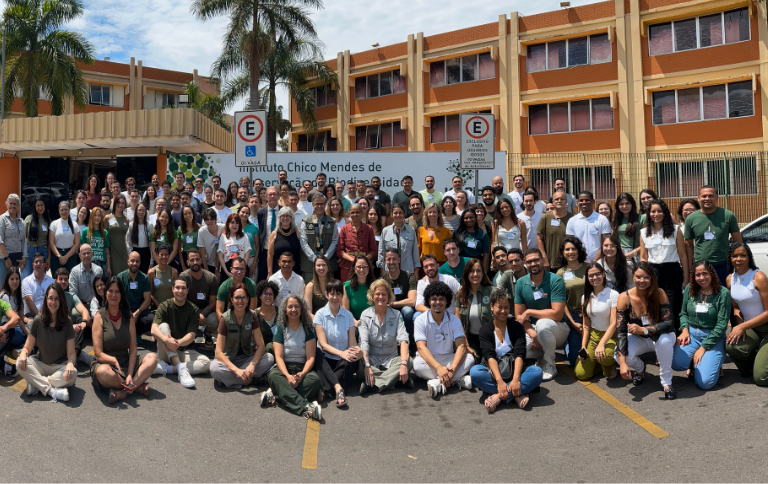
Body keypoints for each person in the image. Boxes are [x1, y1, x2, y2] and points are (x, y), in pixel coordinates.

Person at [469, 288, 544, 412]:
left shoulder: (517, 327)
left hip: (516, 371)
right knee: (475, 372)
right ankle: (516, 394)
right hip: (494, 373)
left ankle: (499, 396)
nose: (503, 311)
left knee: (536, 372)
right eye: (500, 307)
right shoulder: (485, 330)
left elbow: (520, 354)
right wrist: (499, 381)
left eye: (506, 307)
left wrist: (515, 380)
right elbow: (489, 356)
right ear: (492, 306)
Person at [90, 277, 158, 404]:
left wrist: (130, 374)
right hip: (107, 363)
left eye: (117, 291)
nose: (114, 295)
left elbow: (132, 349)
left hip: (126, 361)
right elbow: (98, 354)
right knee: (103, 372)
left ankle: (123, 391)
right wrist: (113, 360)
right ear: (106, 293)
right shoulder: (99, 317)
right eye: (110, 291)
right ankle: (136, 387)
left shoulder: (129, 316)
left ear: (122, 294)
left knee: (152, 359)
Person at [615, 262, 676, 399]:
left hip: (659, 336)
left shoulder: (659, 293)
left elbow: (669, 324)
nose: (642, 281)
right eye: (638, 277)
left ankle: (667, 382)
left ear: (652, 278)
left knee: (665, 341)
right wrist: (623, 364)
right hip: (639, 339)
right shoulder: (624, 297)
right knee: (618, 356)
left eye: (646, 277)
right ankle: (640, 369)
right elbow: (621, 331)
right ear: (633, 276)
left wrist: (645, 330)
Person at [260, 295, 322, 421]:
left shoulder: (308, 328)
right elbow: (279, 357)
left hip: (301, 369)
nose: (293, 309)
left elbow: (310, 358)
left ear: (302, 309)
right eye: (290, 307)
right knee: (273, 375)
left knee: (315, 380)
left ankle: (277, 395)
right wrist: (288, 377)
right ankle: (305, 407)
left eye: (296, 306)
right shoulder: (280, 328)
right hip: (283, 370)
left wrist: (302, 374)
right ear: (285, 310)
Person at [671, 261, 729, 390]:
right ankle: (696, 363)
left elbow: (721, 325)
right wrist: (685, 330)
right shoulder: (690, 288)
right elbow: (683, 313)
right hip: (691, 335)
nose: (701, 278)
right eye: (698, 275)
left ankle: (713, 363)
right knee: (676, 363)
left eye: (705, 274)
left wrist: (703, 348)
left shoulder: (722, 293)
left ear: (712, 274)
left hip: (712, 337)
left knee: (705, 383)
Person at [15, 284, 76, 402]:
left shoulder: (67, 322)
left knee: (73, 373)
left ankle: (36, 385)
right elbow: (27, 347)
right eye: (50, 298)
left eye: (57, 298)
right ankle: (52, 391)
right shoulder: (38, 320)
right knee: (19, 363)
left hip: (59, 366)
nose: (53, 302)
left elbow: (72, 353)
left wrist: (70, 363)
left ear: (61, 300)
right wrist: (23, 354)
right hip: (41, 364)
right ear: (46, 299)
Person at [413, 281, 474, 398]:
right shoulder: (420, 320)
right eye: (434, 299)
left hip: (449, 359)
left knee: (470, 359)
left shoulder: (454, 320)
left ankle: (438, 383)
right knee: (416, 365)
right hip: (429, 360)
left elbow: (461, 346)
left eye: (441, 299)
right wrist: (438, 368)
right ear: (428, 301)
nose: (437, 302)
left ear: (447, 301)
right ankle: (456, 380)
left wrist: (453, 369)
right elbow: (421, 347)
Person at [514, 248, 568, 381]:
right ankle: (543, 354)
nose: (533, 264)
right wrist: (533, 334)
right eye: (530, 261)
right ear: (525, 263)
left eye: (536, 260)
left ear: (543, 260)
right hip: (532, 330)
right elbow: (519, 316)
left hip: (557, 327)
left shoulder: (555, 280)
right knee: (518, 352)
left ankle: (550, 363)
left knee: (542, 324)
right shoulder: (521, 282)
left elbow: (557, 315)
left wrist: (530, 312)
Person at [210, 283, 274, 389]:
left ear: (248, 299)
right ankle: (251, 380)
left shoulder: (252, 316)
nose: (240, 301)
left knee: (269, 358)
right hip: (229, 360)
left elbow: (261, 346)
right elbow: (219, 353)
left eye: (243, 297)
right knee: (214, 368)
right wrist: (237, 371)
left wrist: (251, 365)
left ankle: (229, 381)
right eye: (237, 298)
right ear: (231, 300)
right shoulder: (224, 318)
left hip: (246, 358)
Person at [151, 279, 211, 388]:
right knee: (163, 326)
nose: (180, 291)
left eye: (183, 288)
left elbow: (191, 335)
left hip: (184, 349)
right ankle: (181, 369)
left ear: (187, 290)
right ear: (172, 289)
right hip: (165, 350)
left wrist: (175, 343)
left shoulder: (193, 309)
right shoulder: (164, 306)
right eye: (177, 288)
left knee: (206, 364)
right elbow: (153, 329)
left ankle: (168, 369)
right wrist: (167, 340)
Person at [357, 279, 412, 395]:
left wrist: (402, 364)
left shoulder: (396, 315)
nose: (380, 297)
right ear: (372, 296)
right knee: (358, 366)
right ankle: (396, 380)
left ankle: (373, 384)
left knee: (409, 361)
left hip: (391, 359)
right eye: (377, 294)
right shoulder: (365, 315)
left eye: (384, 294)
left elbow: (403, 339)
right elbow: (364, 343)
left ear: (389, 296)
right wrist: (367, 365)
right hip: (372, 359)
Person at [639, 199, 688, 330]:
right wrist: (643, 277)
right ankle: (655, 335)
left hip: (672, 272)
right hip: (653, 272)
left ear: (665, 213)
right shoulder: (644, 232)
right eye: (653, 211)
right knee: (654, 304)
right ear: (648, 214)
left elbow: (683, 255)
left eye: (659, 211)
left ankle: (674, 335)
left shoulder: (676, 230)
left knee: (672, 305)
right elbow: (643, 257)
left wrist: (686, 278)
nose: (656, 214)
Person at [725, 242, 768, 385]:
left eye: (743, 255)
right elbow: (736, 307)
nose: (739, 259)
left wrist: (743, 327)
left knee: (761, 379)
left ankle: (761, 364)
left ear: (749, 257)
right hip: (752, 328)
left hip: (766, 327)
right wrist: (739, 326)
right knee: (731, 345)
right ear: (730, 258)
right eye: (734, 256)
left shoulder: (758, 277)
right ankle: (757, 363)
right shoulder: (730, 279)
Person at [312, 279, 359, 407]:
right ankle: (338, 388)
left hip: (343, 360)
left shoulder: (348, 315)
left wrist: (354, 351)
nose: (335, 297)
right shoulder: (320, 315)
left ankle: (326, 390)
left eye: (338, 294)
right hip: (327, 359)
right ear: (326, 294)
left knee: (353, 357)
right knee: (316, 353)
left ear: (342, 296)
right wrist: (341, 353)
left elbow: (352, 344)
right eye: (332, 294)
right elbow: (323, 345)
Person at [684, 185, 741, 284]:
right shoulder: (691, 219)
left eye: (711, 196)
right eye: (704, 196)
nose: (707, 199)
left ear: (716, 198)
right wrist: (690, 269)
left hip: (723, 265)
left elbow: (738, 242)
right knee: (703, 297)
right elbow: (688, 246)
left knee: (724, 295)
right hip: (701, 267)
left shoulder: (728, 216)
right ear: (699, 198)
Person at [575, 262, 618, 380]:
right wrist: (583, 346)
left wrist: (602, 344)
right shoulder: (585, 297)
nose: (594, 278)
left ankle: (609, 364)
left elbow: (614, 323)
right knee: (581, 374)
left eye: (598, 274)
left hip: (610, 336)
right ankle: (598, 364)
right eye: (591, 275)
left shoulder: (613, 294)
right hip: (593, 336)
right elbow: (586, 326)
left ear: (603, 274)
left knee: (606, 356)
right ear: (587, 278)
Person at [555, 236, 590, 367]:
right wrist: (574, 323)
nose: (570, 252)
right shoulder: (560, 273)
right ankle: (568, 344)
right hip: (572, 317)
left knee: (592, 355)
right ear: (563, 252)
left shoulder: (589, 267)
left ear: (579, 250)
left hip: (591, 314)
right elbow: (561, 301)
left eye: (573, 249)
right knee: (575, 361)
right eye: (567, 249)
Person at [179, 249, 219, 348]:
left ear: (201, 260)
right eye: (192, 260)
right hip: (189, 310)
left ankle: (208, 333)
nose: (195, 262)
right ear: (188, 263)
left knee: (215, 321)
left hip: (206, 311)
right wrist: (196, 314)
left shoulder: (211, 277)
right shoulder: (183, 277)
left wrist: (201, 314)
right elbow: (182, 300)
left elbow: (214, 302)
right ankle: (190, 335)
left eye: (197, 259)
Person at [455, 258, 493, 358]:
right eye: (472, 271)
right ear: (466, 274)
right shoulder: (460, 295)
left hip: (490, 339)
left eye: (478, 271)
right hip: (470, 340)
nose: (475, 274)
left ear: (483, 273)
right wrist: (466, 345)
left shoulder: (492, 292)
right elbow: (458, 323)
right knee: (472, 364)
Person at [299, 194, 339, 283]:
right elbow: (303, 242)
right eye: (317, 204)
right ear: (313, 205)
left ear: (325, 205)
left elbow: (334, 241)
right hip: (310, 265)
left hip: (328, 265)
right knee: (311, 290)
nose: (319, 206)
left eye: (322, 204)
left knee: (328, 291)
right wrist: (314, 258)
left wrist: (325, 258)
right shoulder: (305, 222)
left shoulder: (332, 222)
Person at [116, 251, 153, 342]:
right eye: (132, 261)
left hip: (139, 311)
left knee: (151, 319)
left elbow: (147, 300)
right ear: (128, 262)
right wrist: (127, 312)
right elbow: (117, 297)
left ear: (140, 263)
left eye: (137, 261)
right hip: (124, 310)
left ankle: (137, 332)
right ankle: (125, 333)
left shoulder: (144, 278)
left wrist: (136, 313)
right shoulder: (120, 277)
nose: (134, 264)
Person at [565, 191, 611, 263]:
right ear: (578, 202)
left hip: (599, 262)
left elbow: (605, 243)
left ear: (593, 201)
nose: (584, 202)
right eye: (581, 200)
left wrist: (595, 261)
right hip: (578, 262)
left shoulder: (602, 219)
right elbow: (570, 244)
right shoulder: (572, 221)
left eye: (587, 200)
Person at [382, 249, 417, 337]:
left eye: (394, 259)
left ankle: (409, 340)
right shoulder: (382, 280)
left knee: (408, 311)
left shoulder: (409, 277)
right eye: (388, 259)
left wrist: (392, 304)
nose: (391, 262)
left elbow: (412, 301)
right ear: (385, 261)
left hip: (403, 309)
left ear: (399, 260)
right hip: (389, 310)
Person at [535, 191, 573, 272]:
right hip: (550, 263)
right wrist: (544, 258)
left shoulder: (572, 218)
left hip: (568, 262)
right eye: (557, 199)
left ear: (566, 202)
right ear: (553, 202)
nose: (559, 201)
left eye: (562, 199)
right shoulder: (545, 218)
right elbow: (539, 238)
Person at [377, 203, 419, 277]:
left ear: (404, 214)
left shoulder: (411, 230)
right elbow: (381, 251)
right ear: (391, 214)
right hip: (389, 272)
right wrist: (382, 270)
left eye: (400, 213)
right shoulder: (385, 231)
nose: (398, 215)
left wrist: (416, 270)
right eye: (395, 213)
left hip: (408, 271)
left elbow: (415, 252)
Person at [215, 257, 257, 321]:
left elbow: (252, 308)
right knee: (213, 321)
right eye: (236, 268)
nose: (239, 272)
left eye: (242, 269)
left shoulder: (251, 285)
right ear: (231, 269)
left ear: (245, 271)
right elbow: (219, 310)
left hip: (246, 317)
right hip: (229, 318)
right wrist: (224, 325)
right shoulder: (224, 287)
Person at [0, 267, 27, 369]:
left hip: (14, 325)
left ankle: (23, 348)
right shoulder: (4, 296)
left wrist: (29, 333)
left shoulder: (17, 295)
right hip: (6, 328)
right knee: (19, 334)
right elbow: (15, 319)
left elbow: (19, 318)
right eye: (12, 279)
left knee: (32, 330)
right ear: (7, 280)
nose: (15, 282)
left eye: (17, 279)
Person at [266, 207, 300, 278]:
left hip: (295, 271)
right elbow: (270, 254)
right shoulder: (274, 234)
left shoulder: (297, 233)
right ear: (279, 218)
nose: (285, 218)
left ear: (291, 218)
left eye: (288, 216)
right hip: (277, 271)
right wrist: (269, 273)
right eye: (283, 216)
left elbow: (301, 254)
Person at [48, 201, 80, 275]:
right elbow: (51, 242)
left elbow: (77, 243)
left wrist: (66, 257)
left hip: (71, 256)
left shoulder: (75, 225)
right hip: (57, 256)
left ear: (69, 210)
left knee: (70, 280)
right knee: (57, 280)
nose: (64, 212)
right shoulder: (54, 224)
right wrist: (59, 256)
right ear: (59, 211)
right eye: (61, 210)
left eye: (66, 209)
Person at [22, 196, 50, 279]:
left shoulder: (47, 220)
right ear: (34, 206)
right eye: (38, 205)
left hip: (42, 251)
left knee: (40, 278)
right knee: (26, 277)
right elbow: (23, 238)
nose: (40, 208)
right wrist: (23, 255)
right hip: (29, 251)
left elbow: (49, 241)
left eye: (42, 205)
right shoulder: (28, 218)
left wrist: (48, 258)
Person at [256, 186, 280, 281]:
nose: (272, 196)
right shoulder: (261, 213)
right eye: (270, 194)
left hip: (279, 251)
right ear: (266, 197)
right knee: (264, 279)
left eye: (274, 194)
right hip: (265, 251)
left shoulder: (284, 211)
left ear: (278, 196)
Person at [342, 256, 375, 325]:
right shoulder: (347, 286)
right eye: (359, 267)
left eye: (364, 267)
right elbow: (345, 311)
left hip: (372, 323)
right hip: (353, 323)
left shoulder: (374, 286)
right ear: (354, 268)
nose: (361, 269)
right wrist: (355, 322)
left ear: (368, 268)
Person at [219, 213, 252, 278]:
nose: (235, 225)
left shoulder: (244, 236)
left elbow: (247, 254)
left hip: (241, 268)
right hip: (227, 268)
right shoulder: (223, 237)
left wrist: (242, 269)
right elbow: (220, 255)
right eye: (232, 222)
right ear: (228, 224)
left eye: (237, 223)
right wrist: (226, 272)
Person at [21, 252, 54, 317]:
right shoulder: (26, 281)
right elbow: (30, 303)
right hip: (31, 316)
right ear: (33, 265)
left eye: (41, 262)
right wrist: (40, 317)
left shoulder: (51, 281)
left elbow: (53, 301)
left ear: (45, 265)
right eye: (36, 262)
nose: (38, 264)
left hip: (48, 316)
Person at [81, 207, 111, 275]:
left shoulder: (104, 232)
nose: (97, 217)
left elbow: (107, 251)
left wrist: (108, 267)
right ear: (91, 216)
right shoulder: (85, 231)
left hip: (102, 263)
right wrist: (82, 265)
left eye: (99, 215)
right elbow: (81, 250)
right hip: (89, 263)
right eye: (95, 215)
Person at [106, 194, 130, 277]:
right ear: (115, 203)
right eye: (118, 203)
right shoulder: (107, 218)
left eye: (123, 203)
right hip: (112, 254)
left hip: (123, 254)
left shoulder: (126, 220)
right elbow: (104, 236)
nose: (120, 205)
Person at [148, 243, 177, 308]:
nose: (164, 257)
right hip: (156, 307)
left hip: (171, 307)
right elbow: (150, 294)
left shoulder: (174, 272)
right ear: (157, 255)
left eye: (166, 254)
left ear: (169, 255)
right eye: (161, 254)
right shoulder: (151, 272)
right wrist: (159, 307)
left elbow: (175, 292)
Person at [613, 193, 640, 261]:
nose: (624, 206)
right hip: (620, 254)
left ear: (632, 204)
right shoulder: (615, 221)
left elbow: (647, 241)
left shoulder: (641, 218)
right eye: (621, 204)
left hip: (636, 254)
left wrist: (632, 253)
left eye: (627, 203)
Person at [197, 208, 223, 277]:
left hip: (222, 264)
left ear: (215, 219)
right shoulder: (202, 232)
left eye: (211, 219)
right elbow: (202, 253)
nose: (209, 221)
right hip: (209, 263)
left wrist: (217, 269)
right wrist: (206, 271)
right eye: (207, 219)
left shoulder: (223, 228)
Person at [236, 205, 259, 277]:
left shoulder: (253, 227)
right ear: (238, 213)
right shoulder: (233, 227)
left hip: (251, 260)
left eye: (247, 213)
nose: (245, 214)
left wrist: (254, 264)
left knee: (251, 286)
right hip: (237, 260)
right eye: (243, 212)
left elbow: (257, 247)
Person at [178, 205, 201, 272]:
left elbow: (202, 248)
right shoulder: (180, 229)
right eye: (185, 214)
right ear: (183, 216)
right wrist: (183, 265)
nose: (188, 215)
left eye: (189, 213)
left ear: (193, 213)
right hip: (185, 257)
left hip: (196, 257)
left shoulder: (200, 228)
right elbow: (179, 250)